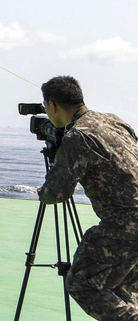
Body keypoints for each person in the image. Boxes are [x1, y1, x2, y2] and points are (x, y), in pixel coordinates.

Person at [37, 75, 138, 321]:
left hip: (125, 222)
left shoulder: (78, 137)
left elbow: (56, 193)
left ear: (53, 106)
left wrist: (43, 188)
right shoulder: (115, 121)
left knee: (83, 283)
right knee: (120, 285)